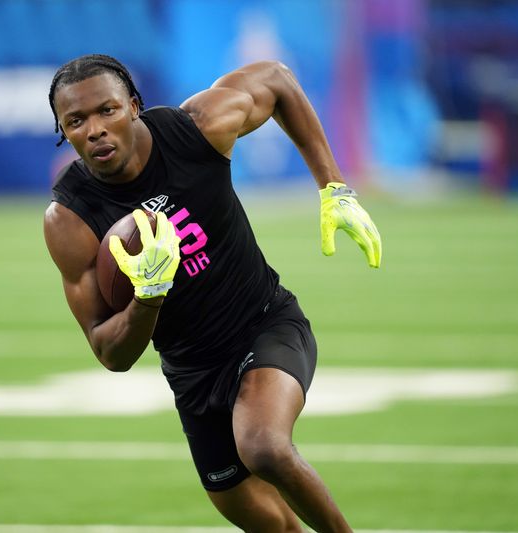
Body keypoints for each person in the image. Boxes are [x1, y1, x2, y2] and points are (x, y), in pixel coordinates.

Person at [43, 54, 381, 533]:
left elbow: (276, 78)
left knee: (264, 447)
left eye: (107, 111)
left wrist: (334, 188)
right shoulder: (71, 220)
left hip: (264, 325)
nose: (94, 129)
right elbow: (110, 353)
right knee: (271, 526)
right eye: (75, 121)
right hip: (193, 374)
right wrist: (148, 294)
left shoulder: (196, 129)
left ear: (134, 106)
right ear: (64, 132)